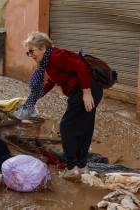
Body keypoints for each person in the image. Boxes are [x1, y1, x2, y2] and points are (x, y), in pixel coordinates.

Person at [14, 32, 103, 180]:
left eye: (32, 51)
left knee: (66, 127)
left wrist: (86, 92)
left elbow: (81, 67)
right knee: (84, 127)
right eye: (28, 52)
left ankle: (72, 167)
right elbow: (53, 81)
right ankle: (82, 166)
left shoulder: (56, 56)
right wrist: (37, 95)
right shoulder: (48, 62)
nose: (30, 55)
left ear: (42, 48)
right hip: (87, 90)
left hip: (84, 90)